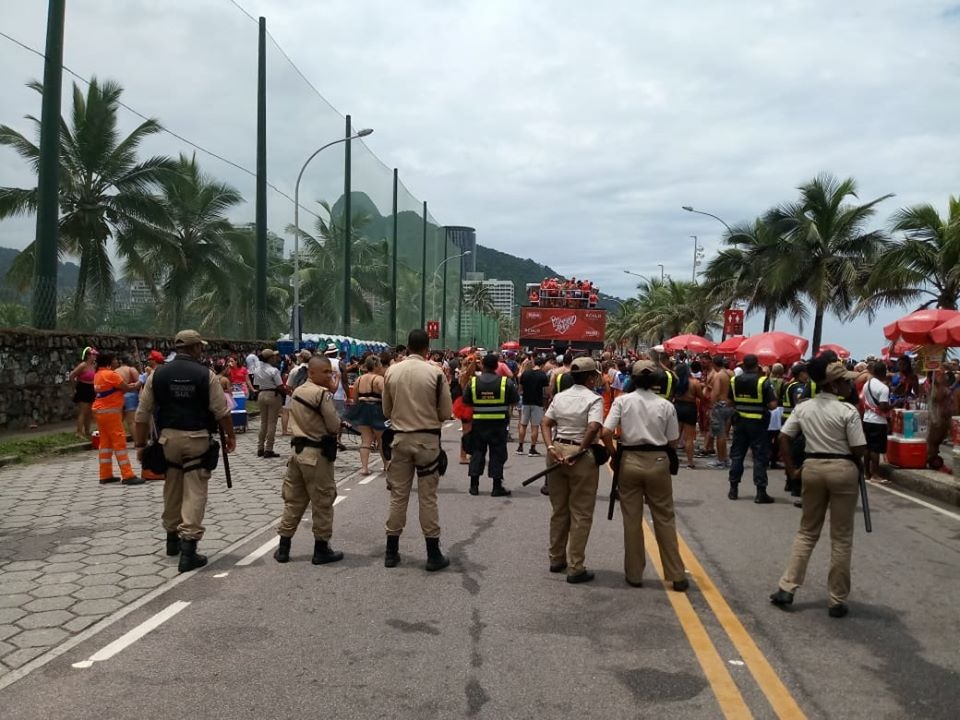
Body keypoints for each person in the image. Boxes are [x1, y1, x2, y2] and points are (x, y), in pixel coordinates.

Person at [771, 360, 867, 618]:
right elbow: (859, 449)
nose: (849, 384)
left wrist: (792, 470)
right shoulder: (847, 411)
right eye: (845, 381)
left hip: (812, 467)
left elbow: (783, 437)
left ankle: (787, 587)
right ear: (833, 384)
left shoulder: (805, 408)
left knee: (807, 532)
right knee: (841, 537)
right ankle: (836, 599)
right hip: (843, 469)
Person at [134, 330, 236, 572]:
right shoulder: (206, 375)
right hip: (197, 439)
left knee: (172, 486)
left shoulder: (157, 374)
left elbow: (142, 413)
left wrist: (139, 445)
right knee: (195, 490)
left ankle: (172, 540)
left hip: (167, 440)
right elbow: (222, 411)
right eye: (200, 347)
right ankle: (189, 549)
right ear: (195, 349)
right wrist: (230, 436)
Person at [601, 359, 689, 591]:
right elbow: (671, 440)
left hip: (629, 460)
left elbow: (606, 431)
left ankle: (634, 574)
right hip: (658, 461)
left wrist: (613, 454)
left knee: (632, 520)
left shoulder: (622, 401)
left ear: (633, 379)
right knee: (664, 518)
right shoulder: (666, 406)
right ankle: (676, 574)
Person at [382, 329, 454, 571]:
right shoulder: (435, 373)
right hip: (427, 442)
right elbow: (445, 413)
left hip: (400, 441)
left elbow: (386, 411)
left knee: (398, 496)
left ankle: (391, 552)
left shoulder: (392, 370)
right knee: (428, 498)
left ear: (407, 347)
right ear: (427, 347)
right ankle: (433, 555)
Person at [539, 356, 605, 584]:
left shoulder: (560, 396)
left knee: (559, 510)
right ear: (590, 377)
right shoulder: (594, 399)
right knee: (581, 513)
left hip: (556, 451)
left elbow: (545, 423)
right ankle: (576, 566)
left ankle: (556, 559)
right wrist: (580, 450)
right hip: (581, 455)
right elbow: (594, 426)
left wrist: (550, 447)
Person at [274, 356, 344, 565]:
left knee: (293, 501)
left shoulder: (298, 391)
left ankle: (283, 547)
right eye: (324, 372)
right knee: (323, 501)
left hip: (297, 454)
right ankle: (321, 549)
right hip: (317, 456)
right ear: (312, 372)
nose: (329, 375)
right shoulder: (321, 394)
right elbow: (333, 425)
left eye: (330, 372)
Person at [463, 353, 519, 497]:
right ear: (496, 366)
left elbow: (466, 402)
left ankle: (474, 486)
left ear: (482, 365)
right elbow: (514, 401)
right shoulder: (505, 383)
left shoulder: (473, 382)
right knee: (497, 454)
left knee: (477, 453)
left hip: (478, 424)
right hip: (498, 426)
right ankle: (496, 487)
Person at [727, 354, 779, 503]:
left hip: (740, 422)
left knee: (737, 455)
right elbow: (772, 405)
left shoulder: (734, 380)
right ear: (757, 366)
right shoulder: (763, 382)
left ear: (743, 366)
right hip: (758, 424)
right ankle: (760, 492)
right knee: (760, 457)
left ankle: (733, 489)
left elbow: (730, 402)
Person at [92, 351, 142, 485]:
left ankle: (105, 474)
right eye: (115, 360)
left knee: (105, 444)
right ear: (109, 362)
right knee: (119, 442)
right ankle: (127, 475)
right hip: (111, 412)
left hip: (100, 412)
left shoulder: (98, 375)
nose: (117, 362)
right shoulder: (111, 375)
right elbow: (126, 388)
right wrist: (141, 381)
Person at [352, 355, 388, 475]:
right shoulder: (379, 379)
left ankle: (364, 467)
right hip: (377, 410)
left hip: (362, 410)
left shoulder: (359, 379)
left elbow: (355, 398)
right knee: (381, 440)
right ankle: (386, 465)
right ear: (377, 366)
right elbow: (385, 397)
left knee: (365, 440)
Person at [860, 362, 890, 480]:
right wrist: (894, 405)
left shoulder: (867, 384)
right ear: (883, 372)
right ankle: (875, 474)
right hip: (878, 421)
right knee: (876, 449)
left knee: (867, 448)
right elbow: (883, 407)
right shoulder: (883, 388)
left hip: (867, 418)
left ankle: (867, 473)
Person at [254, 349, 285, 458]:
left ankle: (260, 447)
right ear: (270, 358)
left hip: (261, 394)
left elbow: (256, 384)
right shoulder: (274, 370)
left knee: (263, 422)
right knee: (272, 423)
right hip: (273, 395)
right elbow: (280, 385)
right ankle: (269, 449)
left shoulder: (257, 370)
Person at [517, 355, 549, 457]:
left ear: (534, 363)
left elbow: (520, 388)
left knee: (523, 425)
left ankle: (520, 447)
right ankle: (532, 448)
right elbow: (546, 391)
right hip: (537, 403)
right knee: (535, 427)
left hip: (526, 401)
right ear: (542, 364)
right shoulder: (543, 375)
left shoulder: (525, 373)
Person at [673, 363, 702, 469]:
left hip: (677, 407)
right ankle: (690, 462)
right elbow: (701, 396)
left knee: (675, 436)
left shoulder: (675, 382)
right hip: (690, 408)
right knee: (689, 438)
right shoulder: (694, 383)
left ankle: (672, 459)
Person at [708, 356, 734, 468]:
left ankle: (721, 459)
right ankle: (725, 458)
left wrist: (711, 406)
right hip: (729, 405)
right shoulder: (730, 373)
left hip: (720, 406)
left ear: (714, 364)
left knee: (720, 434)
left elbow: (716, 392)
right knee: (724, 433)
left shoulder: (718, 375)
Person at [68, 347, 98, 439]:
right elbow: (72, 375)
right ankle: (79, 432)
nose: (95, 356)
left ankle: (87, 431)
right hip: (83, 388)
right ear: (88, 356)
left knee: (90, 411)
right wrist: (74, 388)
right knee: (83, 411)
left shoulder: (94, 365)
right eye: (93, 355)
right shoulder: (83, 365)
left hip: (91, 388)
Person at [117, 355, 141, 435]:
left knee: (119, 421)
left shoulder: (116, 371)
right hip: (130, 395)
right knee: (132, 421)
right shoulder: (131, 369)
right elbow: (139, 382)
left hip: (118, 395)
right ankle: (137, 442)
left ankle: (116, 439)